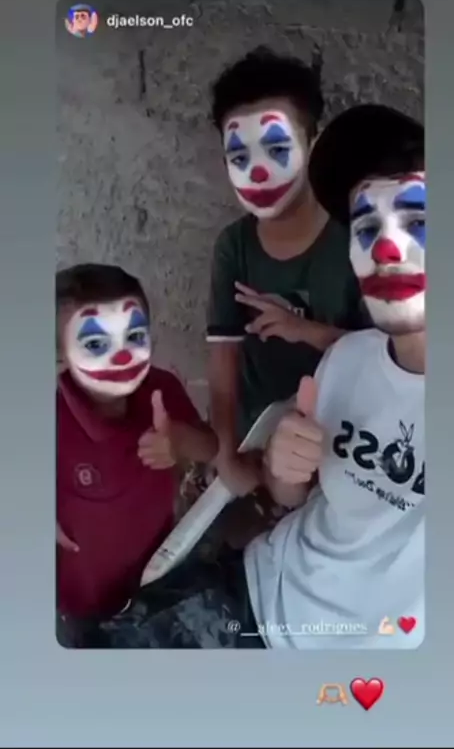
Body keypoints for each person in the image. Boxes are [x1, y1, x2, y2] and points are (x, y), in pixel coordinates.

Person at [93, 103, 425, 650]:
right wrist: (277, 469)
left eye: (418, 221)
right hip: (253, 589)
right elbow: (293, 492)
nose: (387, 249)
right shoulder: (350, 358)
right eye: (366, 226)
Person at [206, 47, 370, 497]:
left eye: (277, 149)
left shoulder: (358, 240)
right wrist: (225, 453)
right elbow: (223, 360)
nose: (257, 172)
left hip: (336, 444)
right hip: (254, 440)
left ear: (314, 146)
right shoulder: (233, 245)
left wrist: (305, 330)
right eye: (239, 157)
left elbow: (383, 357)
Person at [56, 263, 218, 646]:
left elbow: (211, 448)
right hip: (83, 601)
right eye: (95, 344)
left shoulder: (162, 388)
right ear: (60, 355)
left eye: (134, 335)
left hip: (157, 575)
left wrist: (179, 440)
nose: (122, 356)